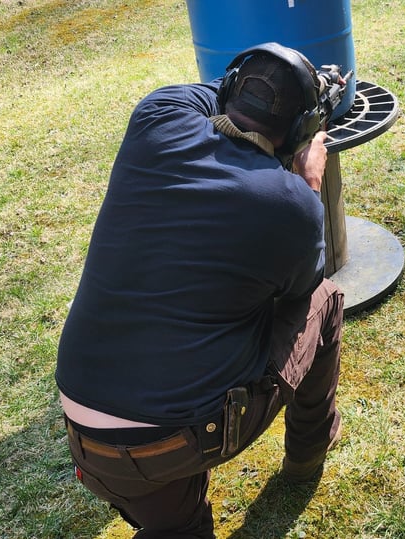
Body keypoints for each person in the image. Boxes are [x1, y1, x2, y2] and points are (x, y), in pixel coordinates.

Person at [55, 42, 345, 539]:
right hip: (176, 440)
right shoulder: (293, 204)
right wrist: (308, 187)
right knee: (326, 303)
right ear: (302, 133)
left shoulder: (158, 116)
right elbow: (299, 291)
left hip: (85, 435)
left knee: (176, 524)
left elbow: (218, 95)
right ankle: (307, 454)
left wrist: (270, 84)